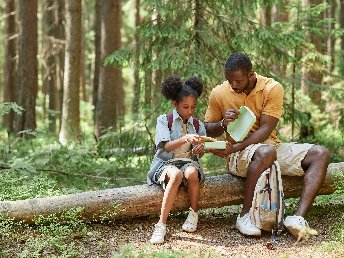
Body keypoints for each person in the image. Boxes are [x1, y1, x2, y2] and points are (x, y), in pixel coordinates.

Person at [204, 52, 331, 237]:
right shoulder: (219, 92)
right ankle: (245, 216)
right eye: (229, 80)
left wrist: (236, 147)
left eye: (238, 81)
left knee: (321, 153)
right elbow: (208, 129)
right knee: (266, 152)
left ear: (251, 75)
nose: (233, 85)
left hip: (268, 146)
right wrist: (223, 123)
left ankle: (297, 218)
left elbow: (266, 129)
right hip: (237, 155)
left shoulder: (272, 88)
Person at [147, 76, 206, 244]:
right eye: (185, 107)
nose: (189, 111)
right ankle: (161, 224)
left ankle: (193, 214)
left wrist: (200, 149)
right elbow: (165, 147)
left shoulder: (197, 124)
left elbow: (201, 151)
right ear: (175, 104)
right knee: (176, 175)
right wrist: (185, 138)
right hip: (166, 164)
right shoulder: (164, 120)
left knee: (192, 172)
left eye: (193, 107)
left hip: (188, 162)